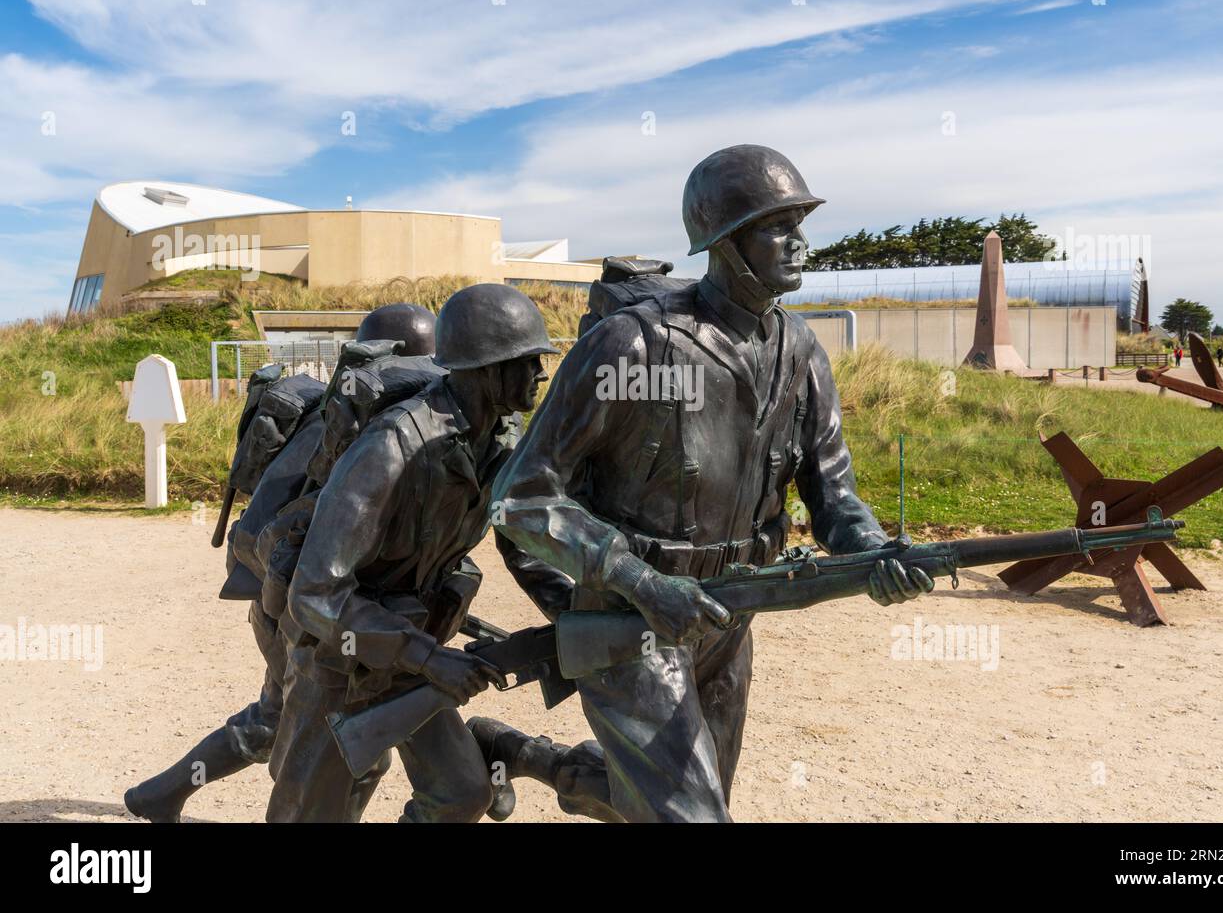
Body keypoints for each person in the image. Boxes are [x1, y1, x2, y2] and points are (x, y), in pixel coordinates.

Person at [490, 145, 932, 823]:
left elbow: (835, 495)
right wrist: (639, 582)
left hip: (728, 617)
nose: (800, 243)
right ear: (726, 241)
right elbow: (523, 497)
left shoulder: (803, 352)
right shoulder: (632, 345)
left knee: (675, 802)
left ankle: (527, 755)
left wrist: (875, 554)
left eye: (799, 224)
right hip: (631, 620)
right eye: (778, 227)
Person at [264, 284, 570, 823]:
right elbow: (314, 591)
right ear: (484, 369)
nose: (539, 375)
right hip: (341, 662)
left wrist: (581, 618)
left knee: (461, 792)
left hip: (417, 653)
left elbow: (527, 544)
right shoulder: (393, 444)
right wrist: (427, 657)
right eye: (526, 362)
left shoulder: (501, 439)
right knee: (308, 816)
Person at [123, 303, 439, 823]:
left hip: (293, 597)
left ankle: (160, 795)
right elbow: (271, 528)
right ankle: (173, 796)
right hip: (291, 600)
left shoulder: (366, 419)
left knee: (292, 720)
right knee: (344, 736)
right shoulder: (339, 426)